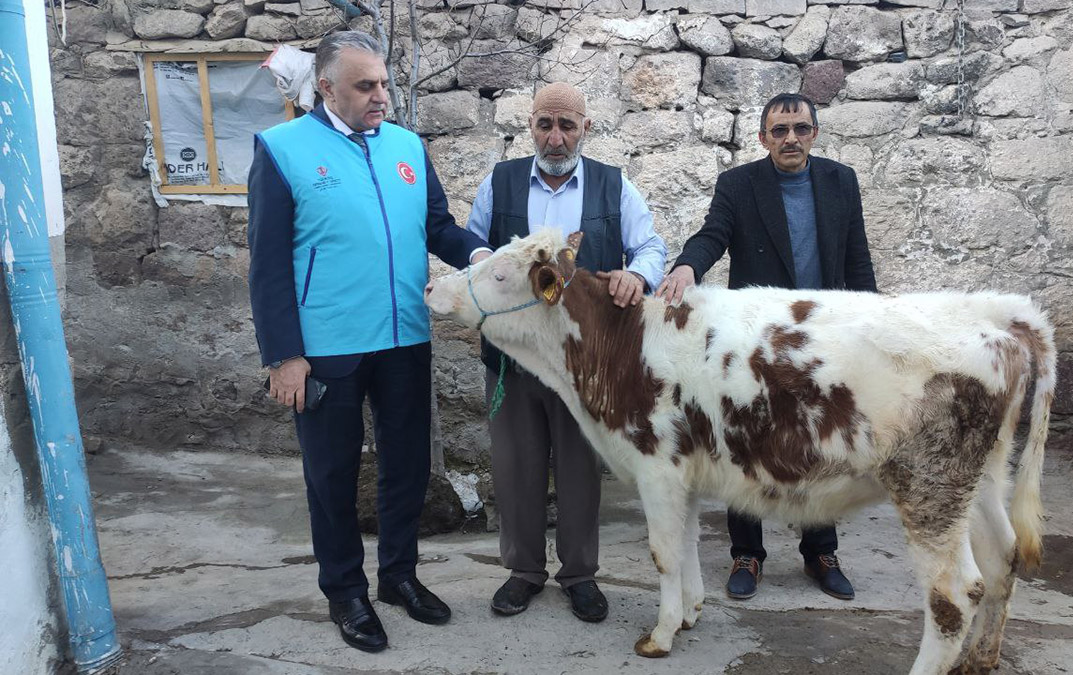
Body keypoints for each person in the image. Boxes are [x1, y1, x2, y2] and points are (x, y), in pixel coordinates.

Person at [246, 31, 491, 653]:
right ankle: (345, 592)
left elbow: (437, 226)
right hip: (324, 345)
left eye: (383, 83)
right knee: (332, 474)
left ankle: (399, 576)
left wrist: (481, 257)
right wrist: (283, 355)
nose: (381, 95)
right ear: (326, 87)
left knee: (407, 467)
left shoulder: (406, 146)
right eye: (365, 86)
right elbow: (267, 263)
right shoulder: (282, 149)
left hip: (404, 335)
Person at [657, 92, 877, 602]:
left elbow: (857, 257)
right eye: (779, 130)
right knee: (748, 440)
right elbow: (713, 234)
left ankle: (821, 552)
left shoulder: (840, 182)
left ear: (814, 133)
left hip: (822, 337)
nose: (790, 138)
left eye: (800, 128)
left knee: (820, 442)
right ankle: (746, 554)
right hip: (757, 341)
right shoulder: (739, 184)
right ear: (763, 138)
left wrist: (872, 320)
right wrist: (688, 267)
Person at [465, 82, 667, 623]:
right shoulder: (500, 182)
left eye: (567, 126)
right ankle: (523, 571)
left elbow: (650, 247)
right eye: (545, 125)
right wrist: (489, 262)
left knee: (580, 469)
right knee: (515, 466)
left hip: (584, 362)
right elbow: (472, 243)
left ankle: (579, 575)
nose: (555, 138)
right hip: (512, 356)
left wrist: (636, 276)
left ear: (585, 128)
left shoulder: (613, 185)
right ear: (530, 125)